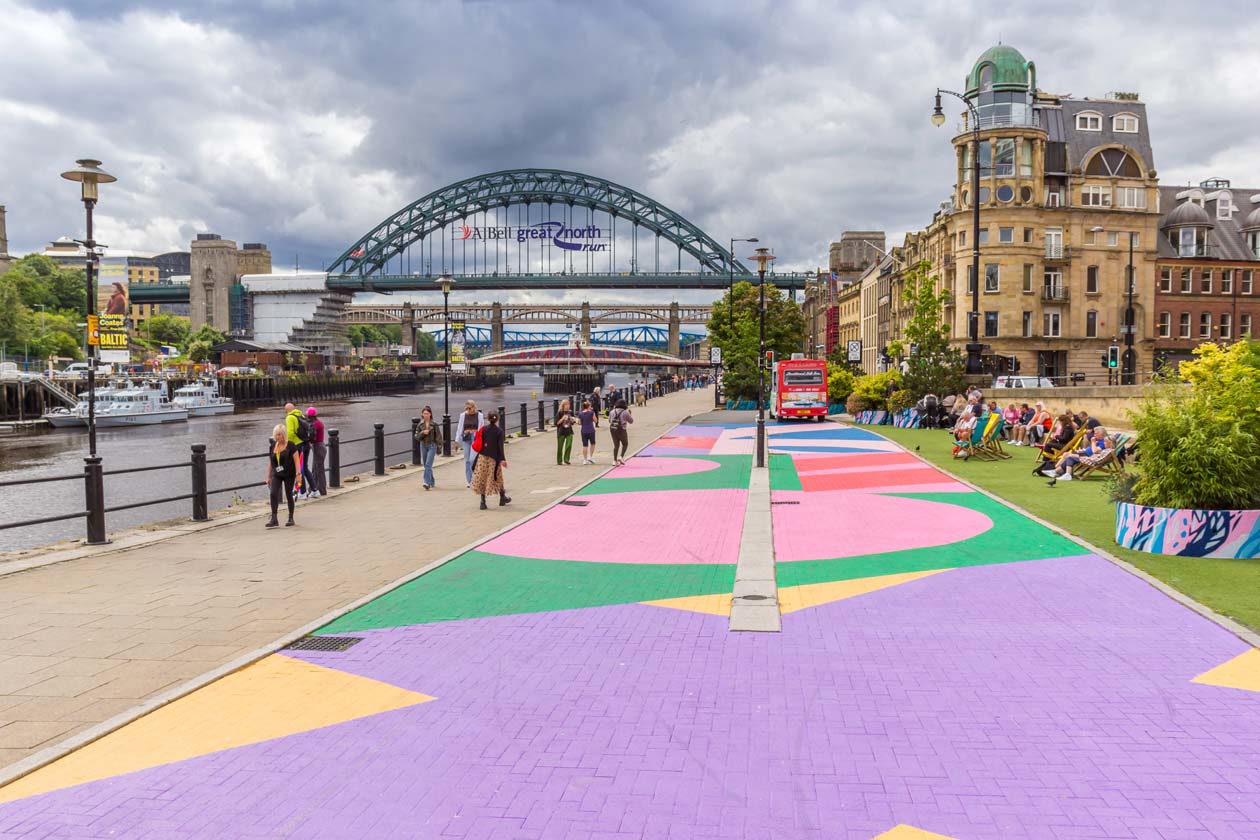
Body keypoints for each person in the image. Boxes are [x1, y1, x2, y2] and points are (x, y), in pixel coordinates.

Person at [470, 411, 510, 509]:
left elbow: (480, 442)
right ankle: (502, 497)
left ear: (488, 419)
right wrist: (502, 459)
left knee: (482, 478)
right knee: (498, 477)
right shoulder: (499, 431)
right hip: (494, 459)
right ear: (498, 419)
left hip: (482, 457)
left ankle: (483, 502)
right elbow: (500, 447)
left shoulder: (484, 429)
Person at [1046, 426, 1111, 483]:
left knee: (1068, 456)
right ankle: (1056, 471)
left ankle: (1056, 471)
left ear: (1102, 434)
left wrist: (1093, 442)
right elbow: (1090, 449)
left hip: (1087, 456)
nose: (1094, 435)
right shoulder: (1099, 441)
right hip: (1084, 453)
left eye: (1096, 433)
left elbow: (1095, 451)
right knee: (1066, 454)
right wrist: (1082, 450)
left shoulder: (1103, 442)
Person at [264, 423, 297, 528]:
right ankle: (274, 519)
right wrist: (268, 476)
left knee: (288, 494)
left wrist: (298, 473)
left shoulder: (291, 445)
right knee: (273, 493)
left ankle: (291, 517)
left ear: (284, 435)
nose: (278, 437)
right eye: (276, 435)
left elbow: (297, 461)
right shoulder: (272, 446)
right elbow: (270, 462)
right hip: (277, 474)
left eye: (280, 434)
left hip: (289, 473)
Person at [283, 403, 313, 498]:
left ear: (286, 410)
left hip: (298, 446)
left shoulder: (289, 417)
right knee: (305, 468)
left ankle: (302, 492)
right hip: (306, 444)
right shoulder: (301, 415)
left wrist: (287, 445)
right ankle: (315, 490)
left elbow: (290, 433)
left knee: (299, 470)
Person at [455, 400, 484, 488]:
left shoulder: (479, 415)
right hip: (466, 438)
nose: (468, 410)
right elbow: (460, 428)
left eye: (470, 408)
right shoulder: (463, 415)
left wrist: (476, 433)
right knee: (467, 460)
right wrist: (457, 441)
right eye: (467, 408)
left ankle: (476, 477)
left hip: (475, 438)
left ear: (474, 407)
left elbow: (481, 428)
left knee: (473, 459)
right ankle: (469, 480)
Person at [415, 406, 442, 489]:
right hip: (423, 445)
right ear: (422, 414)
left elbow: (439, 437)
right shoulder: (420, 424)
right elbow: (416, 436)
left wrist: (439, 448)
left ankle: (426, 482)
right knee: (426, 465)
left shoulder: (434, 424)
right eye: (424, 414)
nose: (426, 415)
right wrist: (423, 432)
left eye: (427, 413)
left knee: (428, 464)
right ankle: (432, 481)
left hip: (432, 445)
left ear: (430, 414)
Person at [307, 407, 326, 497]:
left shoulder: (315, 424)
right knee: (316, 469)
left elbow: (311, 437)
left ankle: (320, 490)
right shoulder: (319, 423)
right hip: (320, 446)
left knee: (318, 470)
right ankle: (314, 489)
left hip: (318, 447)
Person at [609, 398, 634, 464]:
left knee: (616, 445)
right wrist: (630, 414)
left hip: (613, 430)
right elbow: (631, 421)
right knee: (625, 444)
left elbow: (609, 421)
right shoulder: (625, 412)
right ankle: (621, 456)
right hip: (622, 430)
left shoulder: (612, 411)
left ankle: (614, 461)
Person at [555, 398, 576, 465]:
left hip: (569, 431)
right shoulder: (560, 413)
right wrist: (563, 418)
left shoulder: (570, 412)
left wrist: (573, 420)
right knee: (560, 447)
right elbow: (556, 423)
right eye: (566, 404)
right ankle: (559, 460)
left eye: (568, 404)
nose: (568, 405)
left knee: (569, 445)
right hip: (561, 431)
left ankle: (566, 459)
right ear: (563, 405)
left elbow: (573, 422)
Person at [578, 399, 599, 464]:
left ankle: (585, 460)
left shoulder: (580, 413)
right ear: (588, 406)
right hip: (591, 430)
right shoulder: (592, 413)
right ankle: (590, 457)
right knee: (592, 443)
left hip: (584, 430)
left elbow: (579, 423)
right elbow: (596, 421)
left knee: (585, 445)